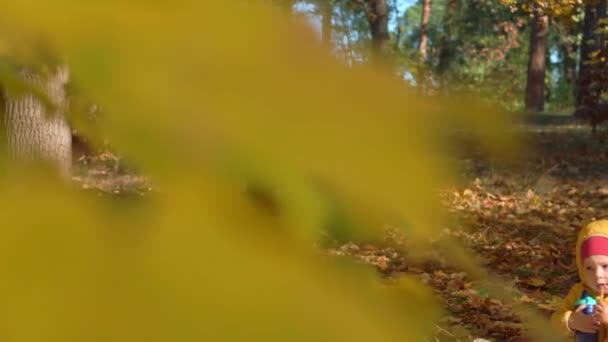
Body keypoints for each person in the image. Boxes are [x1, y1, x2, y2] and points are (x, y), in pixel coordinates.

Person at [552, 220, 608, 340]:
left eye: (605, 266)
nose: (598, 274)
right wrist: (571, 321)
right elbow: (555, 320)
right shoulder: (579, 292)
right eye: (589, 268)